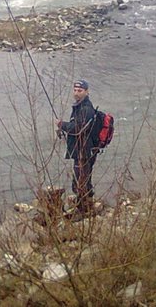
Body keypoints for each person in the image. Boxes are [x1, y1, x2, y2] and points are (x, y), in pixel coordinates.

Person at [57, 79, 97, 215]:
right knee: (82, 179)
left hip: (85, 151)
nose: (76, 93)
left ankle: (84, 210)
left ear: (86, 92)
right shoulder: (79, 106)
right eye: (75, 90)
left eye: (80, 91)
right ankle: (86, 205)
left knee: (81, 181)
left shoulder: (86, 109)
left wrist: (62, 125)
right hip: (80, 149)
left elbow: (78, 128)